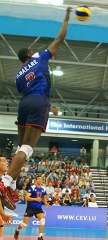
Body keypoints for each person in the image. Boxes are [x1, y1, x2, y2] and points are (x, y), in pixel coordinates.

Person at [0, 7, 72, 211]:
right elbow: (59, 39)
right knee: (28, 149)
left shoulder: (18, 76)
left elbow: (31, 94)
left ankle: (11, 187)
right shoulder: (38, 57)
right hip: (38, 102)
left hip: (24, 104)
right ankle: (4, 182)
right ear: (30, 54)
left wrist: (52, 109)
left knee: (20, 147)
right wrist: (66, 19)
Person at [14, 176, 50, 240]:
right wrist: (36, 199)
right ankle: (17, 230)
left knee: (42, 220)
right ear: (36, 180)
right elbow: (26, 198)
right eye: (38, 179)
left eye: (41, 179)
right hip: (30, 208)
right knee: (24, 224)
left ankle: (40, 236)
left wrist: (46, 203)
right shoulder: (32, 188)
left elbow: (43, 197)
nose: (40, 180)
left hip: (38, 208)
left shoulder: (43, 188)